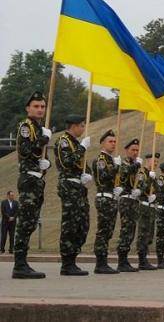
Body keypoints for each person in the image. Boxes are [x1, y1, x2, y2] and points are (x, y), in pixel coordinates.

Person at [12, 91, 52, 279]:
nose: (40, 109)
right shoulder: (26, 126)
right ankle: (19, 265)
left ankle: (23, 262)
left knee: (31, 222)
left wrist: (47, 164)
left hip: (37, 179)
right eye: (36, 106)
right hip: (28, 179)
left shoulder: (39, 128)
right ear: (28, 108)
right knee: (25, 222)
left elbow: (41, 156)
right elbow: (26, 150)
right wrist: (44, 139)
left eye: (42, 106)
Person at [54, 115, 90, 276]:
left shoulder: (75, 143)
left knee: (82, 224)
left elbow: (83, 165)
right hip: (69, 186)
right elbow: (67, 162)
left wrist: (87, 174)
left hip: (79, 187)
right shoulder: (64, 141)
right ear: (74, 126)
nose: (83, 128)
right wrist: (82, 148)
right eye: (82, 125)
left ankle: (73, 258)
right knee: (70, 224)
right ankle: (67, 263)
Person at [91, 129, 120, 274]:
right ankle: (100, 263)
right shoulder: (101, 160)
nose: (113, 144)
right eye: (110, 141)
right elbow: (103, 176)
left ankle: (104, 262)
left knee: (108, 231)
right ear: (103, 143)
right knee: (103, 231)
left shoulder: (110, 160)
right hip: (104, 198)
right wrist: (116, 167)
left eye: (114, 141)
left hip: (111, 198)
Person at [116, 138, 142, 272]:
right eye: (133, 150)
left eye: (137, 150)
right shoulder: (123, 163)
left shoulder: (134, 164)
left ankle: (125, 259)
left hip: (132, 200)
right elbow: (125, 172)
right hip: (125, 200)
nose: (135, 152)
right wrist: (137, 165)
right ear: (126, 150)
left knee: (131, 230)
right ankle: (121, 261)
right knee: (126, 230)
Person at [135, 153, 158, 271]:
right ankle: (142, 260)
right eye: (154, 161)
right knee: (143, 233)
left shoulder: (152, 175)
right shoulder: (142, 173)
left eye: (157, 162)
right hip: (143, 206)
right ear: (148, 161)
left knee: (149, 234)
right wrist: (149, 178)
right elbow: (140, 187)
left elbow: (157, 190)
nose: (156, 163)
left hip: (151, 207)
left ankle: (144, 258)